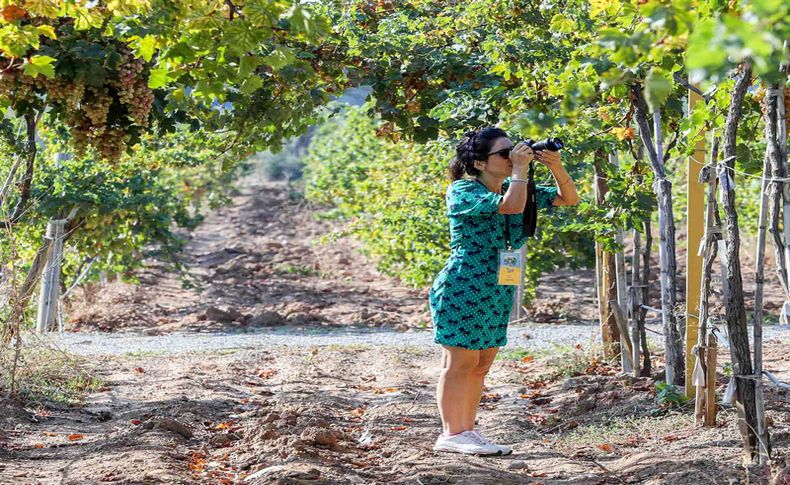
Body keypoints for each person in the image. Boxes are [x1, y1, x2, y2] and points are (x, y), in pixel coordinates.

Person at [430, 127, 579, 455]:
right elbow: (510, 207)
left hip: (497, 291)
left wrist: (554, 164)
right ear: (480, 163)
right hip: (464, 286)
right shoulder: (463, 190)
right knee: (460, 363)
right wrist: (521, 170)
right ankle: (451, 433)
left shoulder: (519, 187)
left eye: (514, 150)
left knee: (481, 364)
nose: (512, 156)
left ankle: (466, 431)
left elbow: (569, 198)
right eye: (504, 154)